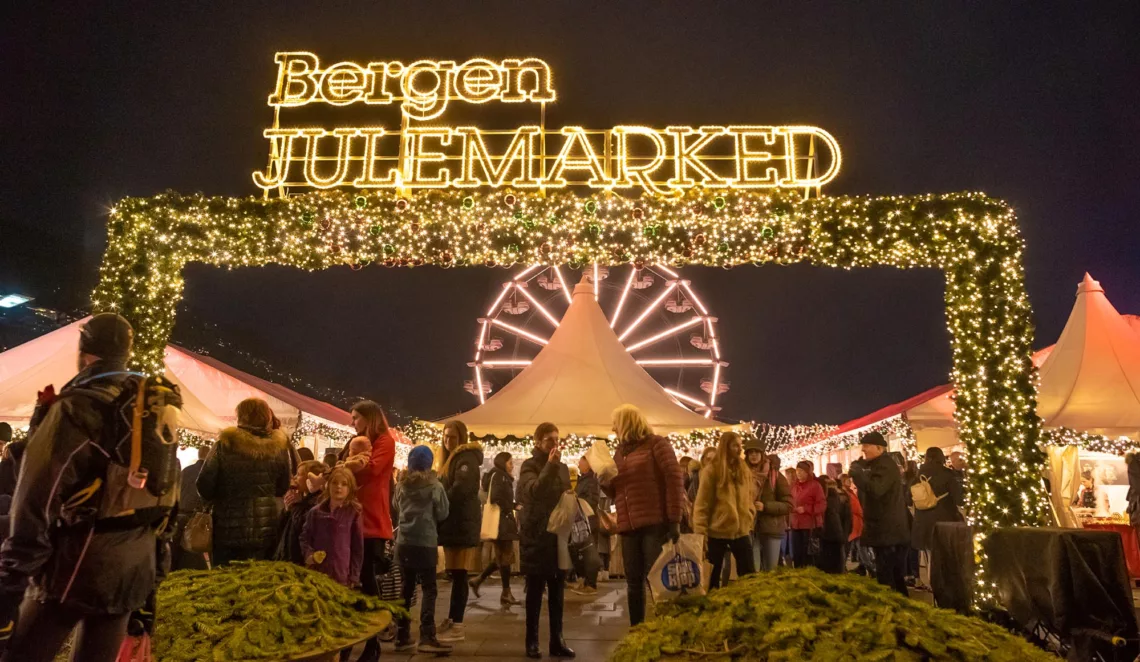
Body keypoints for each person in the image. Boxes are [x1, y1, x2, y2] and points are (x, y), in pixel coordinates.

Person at [0, 313, 167, 661]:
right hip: (133, 566)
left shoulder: (79, 406)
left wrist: (11, 582)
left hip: (78, 564)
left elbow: (36, 498)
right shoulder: (148, 406)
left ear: (84, 349)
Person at [601, 405, 684, 627]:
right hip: (628, 526)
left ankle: (664, 627)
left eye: (616, 424)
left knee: (656, 579)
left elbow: (674, 480)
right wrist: (605, 482)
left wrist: (674, 519)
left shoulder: (657, 444)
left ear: (627, 423)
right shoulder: (620, 453)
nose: (613, 428)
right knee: (633, 581)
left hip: (654, 523)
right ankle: (637, 630)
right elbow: (618, 490)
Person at [196, 398, 292, 565]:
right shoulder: (279, 447)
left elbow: (204, 485)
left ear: (241, 416)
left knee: (224, 580)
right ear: (266, 416)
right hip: (266, 528)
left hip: (227, 527)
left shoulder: (225, 444)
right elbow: (282, 487)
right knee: (259, 581)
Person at [340, 400, 396, 662]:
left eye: (356, 418)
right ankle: (353, 642)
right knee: (353, 582)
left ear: (369, 418)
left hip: (371, 521)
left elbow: (372, 470)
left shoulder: (385, 440)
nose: (353, 423)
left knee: (366, 581)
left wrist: (350, 467)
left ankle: (372, 643)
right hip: (351, 518)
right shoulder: (356, 442)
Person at [518, 423, 575, 659]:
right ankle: (531, 641)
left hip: (558, 536)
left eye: (557, 439)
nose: (554, 444)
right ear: (538, 442)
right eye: (549, 439)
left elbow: (565, 495)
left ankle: (557, 639)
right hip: (536, 536)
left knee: (558, 591)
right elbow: (535, 491)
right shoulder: (529, 466)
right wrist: (550, 465)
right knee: (534, 592)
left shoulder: (562, 468)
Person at [393, 445, 452, 654]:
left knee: (406, 588)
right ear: (429, 464)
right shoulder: (435, 486)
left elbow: (396, 506)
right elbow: (443, 512)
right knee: (429, 588)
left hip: (404, 542)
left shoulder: (401, 485)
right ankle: (427, 635)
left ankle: (401, 634)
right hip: (425, 542)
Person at [435, 420, 483, 644]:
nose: (448, 440)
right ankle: (453, 620)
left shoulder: (466, 459)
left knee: (461, 574)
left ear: (461, 437)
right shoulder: (453, 459)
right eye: (445, 436)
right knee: (456, 573)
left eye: (452, 437)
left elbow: (460, 490)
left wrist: (440, 502)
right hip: (455, 523)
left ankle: (457, 623)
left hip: (461, 523)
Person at [692, 431, 756, 589]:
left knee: (749, 574)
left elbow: (749, 496)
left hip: (741, 530)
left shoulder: (744, 469)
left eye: (740, 445)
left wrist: (750, 513)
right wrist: (701, 531)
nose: (739, 449)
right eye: (735, 445)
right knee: (712, 577)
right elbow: (702, 504)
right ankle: (712, 607)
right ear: (726, 446)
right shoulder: (712, 470)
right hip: (717, 530)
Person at [849, 431, 911, 596]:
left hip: (887, 530)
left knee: (887, 575)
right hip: (886, 529)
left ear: (879, 448)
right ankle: (901, 607)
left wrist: (858, 474)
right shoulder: (879, 464)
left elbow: (876, 489)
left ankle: (892, 609)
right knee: (893, 575)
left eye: (867, 446)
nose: (864, 450)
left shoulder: (885, 466)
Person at [469, 451, 520, 607]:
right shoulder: (499, 476)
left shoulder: (498, 475)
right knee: (505, 557)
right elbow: (497, 497)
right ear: (503, 462)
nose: (512, 466)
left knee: (501, 557)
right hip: (501, 522)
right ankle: (506, 592)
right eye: (510, 463)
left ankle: (478, 580)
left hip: (501, 522)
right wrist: (512, 506)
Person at [301, 465, 363, 587]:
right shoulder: (315, 512)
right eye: (334, 483)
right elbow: (305, 537)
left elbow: (357, 547)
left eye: (344, 484)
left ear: (350, 488)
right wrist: (309, 554)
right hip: (317, 572)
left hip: (341, 573)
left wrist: (354, 576)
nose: (338, 487)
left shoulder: (354, 512)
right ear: (328, 485)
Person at [911, 447, 963, 588]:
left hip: (923, 523)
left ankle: (932, 586)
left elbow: (908, 499)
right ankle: (945, 587)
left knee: (929, 556)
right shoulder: (947, 474)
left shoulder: (917, 475)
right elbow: (959, 498)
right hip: (944, 521)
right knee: (945, 557)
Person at [275, 460, 329, 566]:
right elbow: (282, 528)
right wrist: (287, 509)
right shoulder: (302, 500)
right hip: (288, 556)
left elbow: (301, 528)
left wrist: (295, 507)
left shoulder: (316, 503)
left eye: (299, 474)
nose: (295, 478)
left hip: (299, 559)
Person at [747, 449, 792, 571]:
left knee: (770, 569)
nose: (754, 455)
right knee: (753, 570)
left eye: (756, 452)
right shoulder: (743, 475)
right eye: (751, 453)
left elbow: (788, 505)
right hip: (749, 529)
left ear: (762, 455)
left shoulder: (775, 476)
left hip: (771, 528)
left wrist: (765, 506)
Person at [172, 445, 211, 570]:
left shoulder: (187, 470)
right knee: (192, 549)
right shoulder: (208, 472)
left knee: (176, 549)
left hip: (180, 512)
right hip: (195, 516)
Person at [570, 455, 603, 595]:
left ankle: (591, 584)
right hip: (582, 522)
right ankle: (585, 582)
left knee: (590, 553)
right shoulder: (583, 479)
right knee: (583, 553)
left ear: (588, 465)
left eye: (581, 462)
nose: (578, 464)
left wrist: (577, 500)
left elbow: (592, 500)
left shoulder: (591, 481)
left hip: (588, 521)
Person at [789, 461, 825, 568]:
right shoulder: (794, 486)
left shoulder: (815, 486)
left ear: (807, 472)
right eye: (797, 471)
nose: (798, 473)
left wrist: (806, 509)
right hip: (795, 525)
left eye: (801, 471)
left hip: (809, 526)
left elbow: (822, 504)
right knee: (797, 553)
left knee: (807, 554)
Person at [818, 477, 852, 574]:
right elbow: (848, 518)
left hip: (830, 536)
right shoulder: (844, 496)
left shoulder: (828, 499)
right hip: (839, 535)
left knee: (829, 565)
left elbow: (833, 519)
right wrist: (845, 534)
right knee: (838, 563)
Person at [842, 473, 870, 575]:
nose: (850, 481)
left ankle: (865, 566)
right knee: (856, 547)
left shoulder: (849, 492)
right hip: (854, 524)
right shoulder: (847, 494)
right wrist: (862, 514)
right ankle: (869, 567)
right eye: (847, 480)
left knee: (857, 547)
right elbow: (856, 507)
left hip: (856, 524)